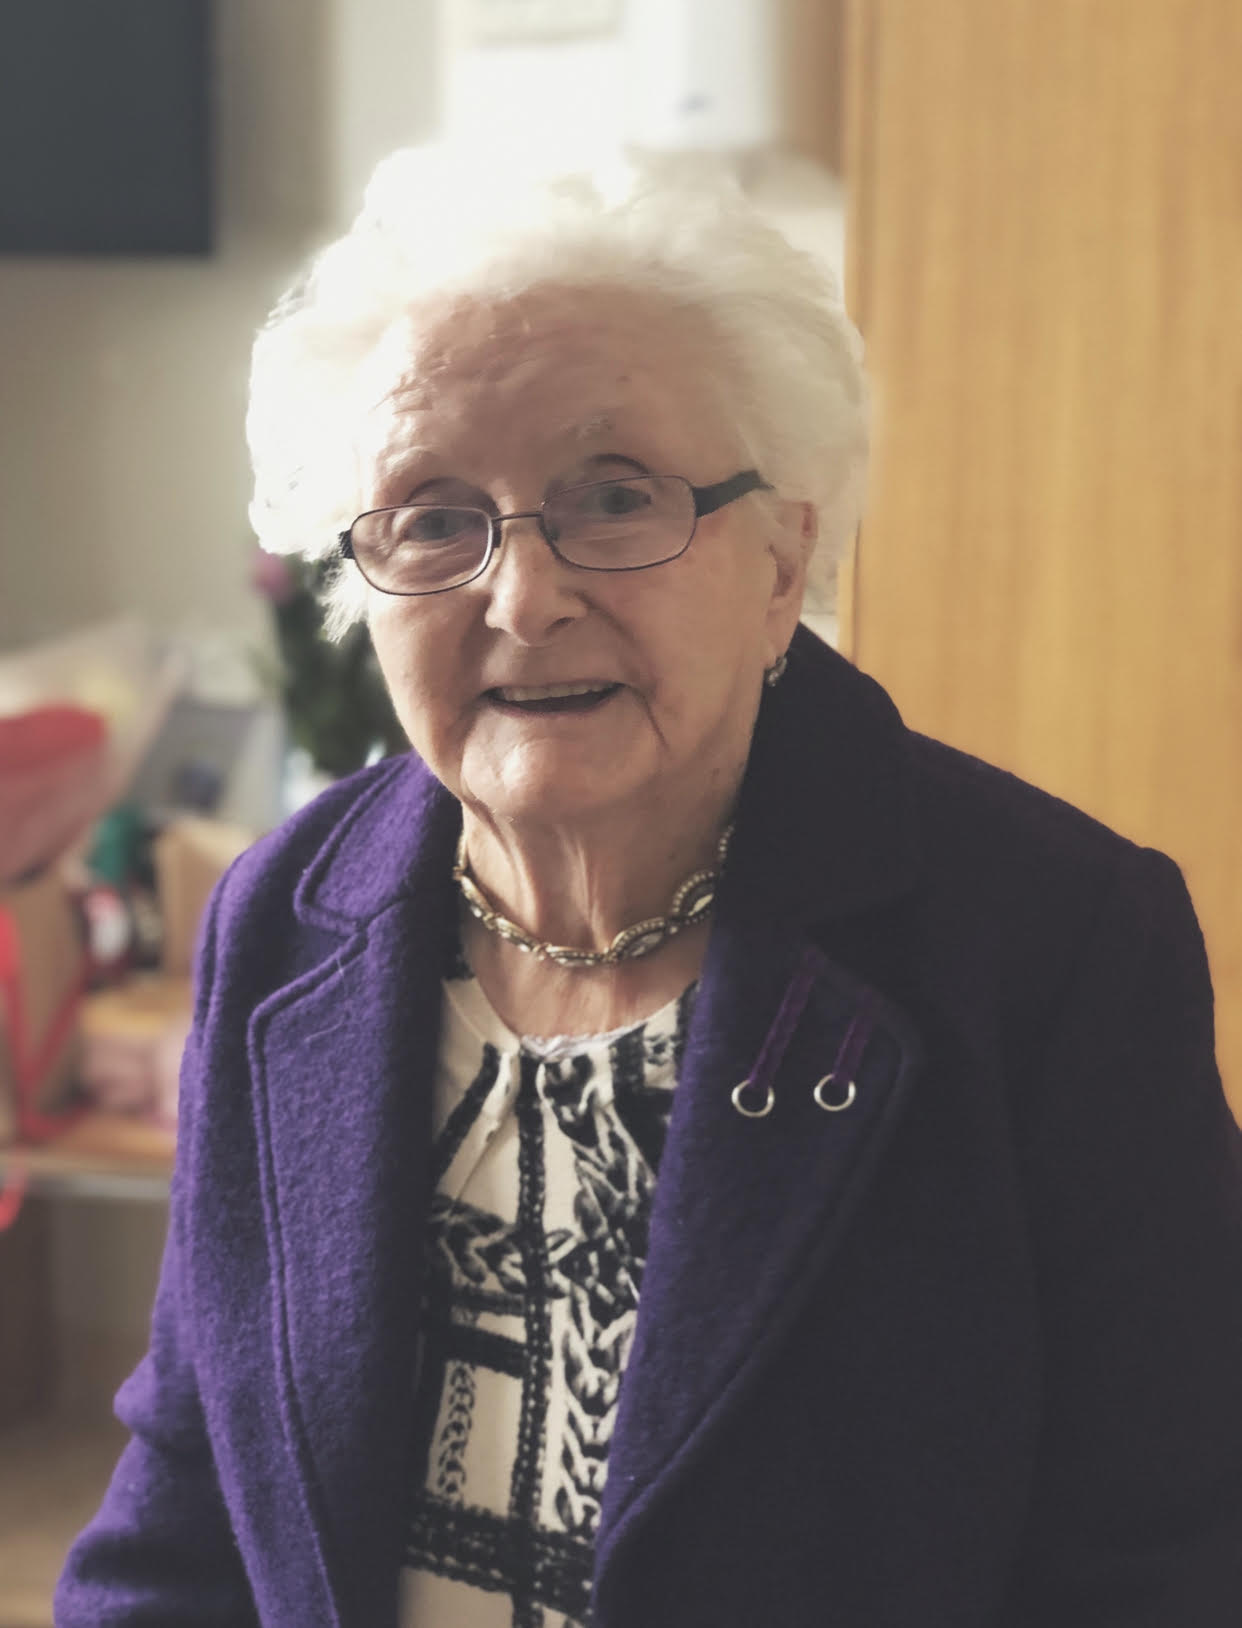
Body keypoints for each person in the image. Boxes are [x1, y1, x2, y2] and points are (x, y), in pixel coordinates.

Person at [57, 149, 1242, 1628]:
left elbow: (1163, 1552)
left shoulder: (1052, 943)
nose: (521, 596)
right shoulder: (286, 915)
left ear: (781, 561)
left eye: (615, 498)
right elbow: (188, 1507)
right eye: (432, 516)